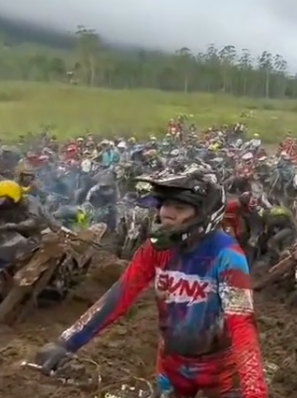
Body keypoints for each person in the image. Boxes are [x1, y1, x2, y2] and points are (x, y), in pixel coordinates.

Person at [34, 165, 267, 398]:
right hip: (172, 366)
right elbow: (120, 295)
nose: (167, 213)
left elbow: (242, 324)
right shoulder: (155, 249)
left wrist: (254, 391)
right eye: (165, 205)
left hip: (222, 369)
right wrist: (66, 343)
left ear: (205, 213)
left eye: (180, 207)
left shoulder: (227, 255)